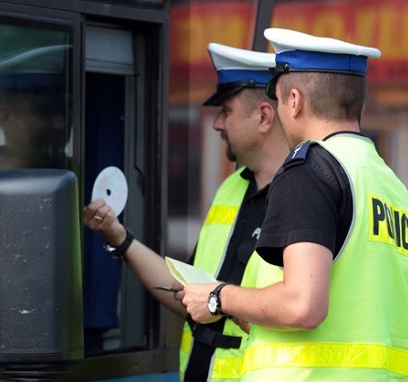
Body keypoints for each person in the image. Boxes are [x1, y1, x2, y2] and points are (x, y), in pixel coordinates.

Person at [181, 28, 408, 381]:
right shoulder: (395, 190)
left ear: (295, 101)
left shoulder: (309, 170)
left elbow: (303, 305)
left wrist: (219, 298)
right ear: (356, 103)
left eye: (280, 101)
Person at [83, 43, 289, 381]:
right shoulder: (231, 188)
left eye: (226, 110)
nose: (217, 124)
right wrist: (119, 238)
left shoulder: (305, 195)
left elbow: (294, 311)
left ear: (264, 116)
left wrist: (224, 301)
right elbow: (190, 293)